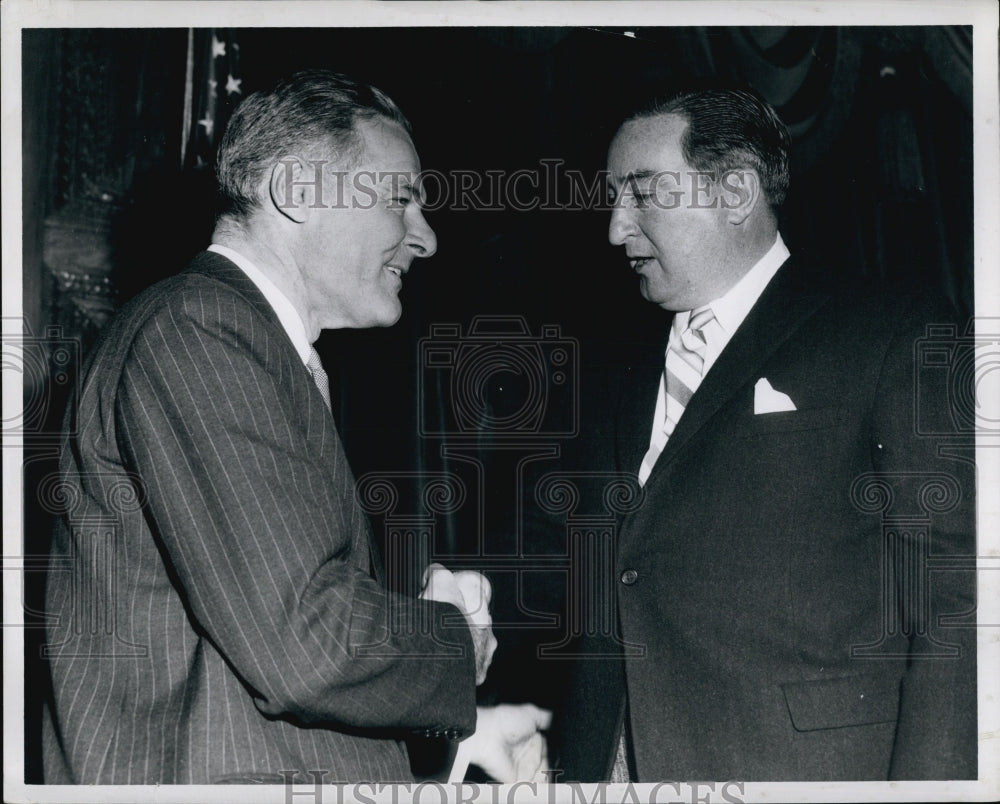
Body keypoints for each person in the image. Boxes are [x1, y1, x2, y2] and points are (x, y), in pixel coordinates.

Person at [41, 69, 546, 785]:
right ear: (295, 191)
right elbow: (303, 645)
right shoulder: (200, 328)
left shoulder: (246, 343)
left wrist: (456, 736)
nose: (425, 238)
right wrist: (454, 639)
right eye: (401, 198)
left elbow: (253, 661)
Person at [551, 87, 977, 781]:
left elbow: (959, 594)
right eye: (612, 196)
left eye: (640, 192)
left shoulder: (890, 330)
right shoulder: (616, 367)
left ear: (737, 191)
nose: (614, 227)